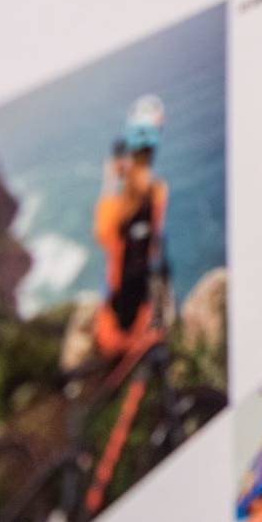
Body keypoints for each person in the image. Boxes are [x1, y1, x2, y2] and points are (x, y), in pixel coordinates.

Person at [92, 96, 171, 361]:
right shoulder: (159, 193)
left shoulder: (114, 207)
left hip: (113, 330)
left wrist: (111, 181)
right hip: (143, 320)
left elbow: (103, 236)